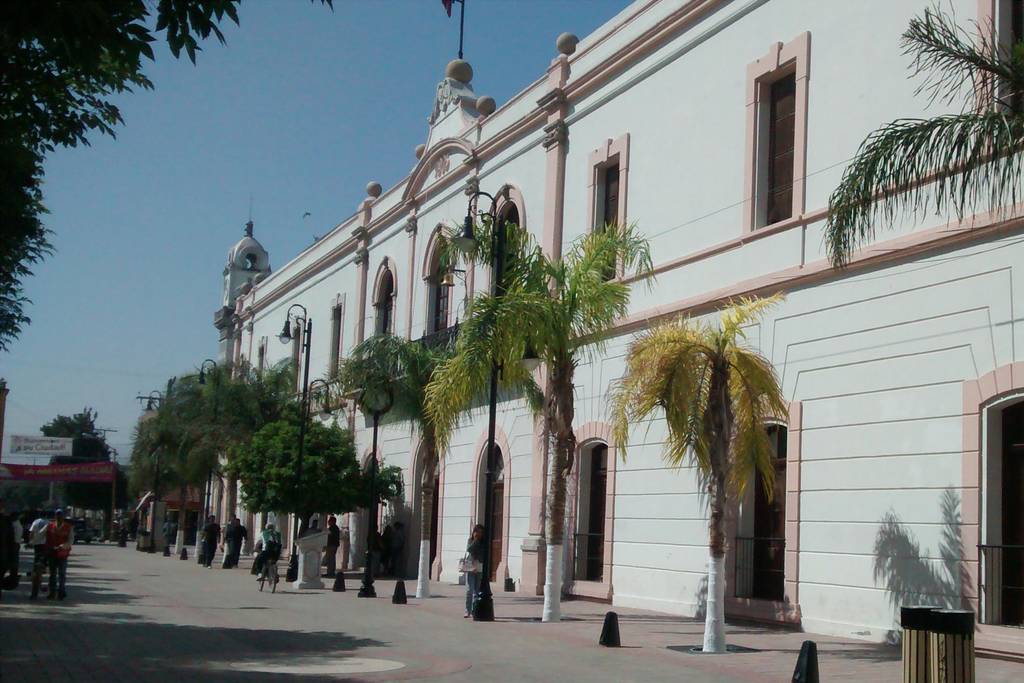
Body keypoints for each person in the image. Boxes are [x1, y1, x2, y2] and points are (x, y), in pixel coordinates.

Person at [45, 508, 74, 600]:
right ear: (55, 516)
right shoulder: (50, 525)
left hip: (62, 553)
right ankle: (52, 592)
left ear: (63, 516)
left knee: (62, 574)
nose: (59, 516)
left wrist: (62, 546)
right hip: (52, 552)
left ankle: (61, 591)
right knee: (52, 574)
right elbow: (41, 534)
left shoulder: (68, 527)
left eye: (60, 515)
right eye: (57, 514)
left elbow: (70, 540)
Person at [462, 524, 485, 618]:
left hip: (479, 567)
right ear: (474, 532)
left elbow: (482, 554)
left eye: (481, 532)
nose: (479, 534)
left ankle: (474, 610)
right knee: (469, 590)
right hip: (470, 566)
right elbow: (469, 549)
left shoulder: (483, 542)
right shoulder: (470, 540)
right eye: (477, 532)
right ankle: (467, 610)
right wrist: (475, 540)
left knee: (477, 591)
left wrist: (478, 544)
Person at [28, 511, 49, 598]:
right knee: (43, 563)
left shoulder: (35, 522)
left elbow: (31, 533)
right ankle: (43, 569)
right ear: (46, 516)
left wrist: (30, 542)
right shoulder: (48, 522)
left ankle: (36, 573)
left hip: (37, 545)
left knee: (36, 562)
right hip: (45, 545)